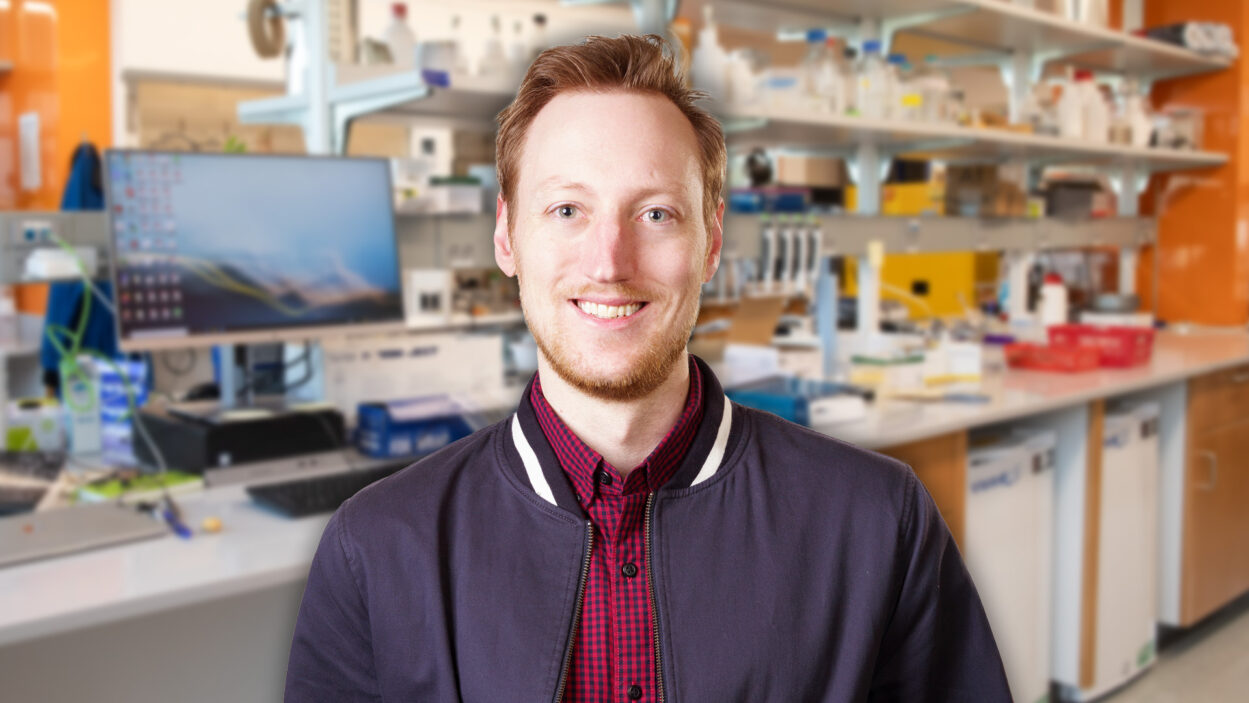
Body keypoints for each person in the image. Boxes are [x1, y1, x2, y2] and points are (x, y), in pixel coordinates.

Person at [285, 34, 1011, 702]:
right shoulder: (374, 550)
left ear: (711, 241)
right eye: (567, 209)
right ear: (507, 237)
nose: (608, 262)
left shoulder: (878, 522)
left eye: (656, 214)